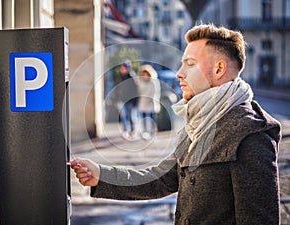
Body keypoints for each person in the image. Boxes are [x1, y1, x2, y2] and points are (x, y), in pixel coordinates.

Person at [70, 24, 281, 224]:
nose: (179, 72)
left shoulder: (251, 134)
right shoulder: (199, 121)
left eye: (190, 64)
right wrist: (100, 174)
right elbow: (162, 179)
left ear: (219, 69)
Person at [114, 61, 138, 140]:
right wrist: (116, 99)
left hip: (130, 101)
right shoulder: (119, 77)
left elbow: (135, 90)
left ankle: (132, 131)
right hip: (122, 100)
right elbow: (117, 89)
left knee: (131, 116)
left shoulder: (132, 77)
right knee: (123, 117)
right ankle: (125, 131)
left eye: (125, 68)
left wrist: (135, 101)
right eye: (122, 68)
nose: (123, 69)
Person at [136, 64, 161, 140]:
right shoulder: (140, 81)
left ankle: (152, 132)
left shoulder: (154, 81)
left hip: (151, 102)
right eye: (143, 74)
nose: (145, 75)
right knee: (143, 118)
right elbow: (138, 91)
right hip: (142, 102)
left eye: (146, 74)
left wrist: (151, 99)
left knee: (152, 118)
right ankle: (145, 132)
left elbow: (156, 92)